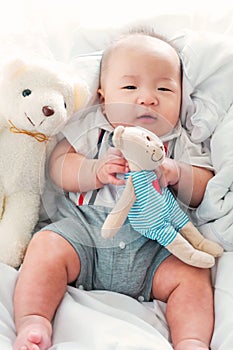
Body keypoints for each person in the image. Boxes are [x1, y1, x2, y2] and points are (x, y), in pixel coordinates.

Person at [13, 28, 215, 350]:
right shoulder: (93, 129)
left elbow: (205, 186)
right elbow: (57, 166)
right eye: (130, 86)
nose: (147, 97)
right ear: (103, 94)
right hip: (85, 236)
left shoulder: (178, 140)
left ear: (181, 97)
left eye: (164, 88)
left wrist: (176, 172)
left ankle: (191, 340)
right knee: (46, 246)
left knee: (192, 272)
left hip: (154, 249)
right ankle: (34, 320)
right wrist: (93, 170)